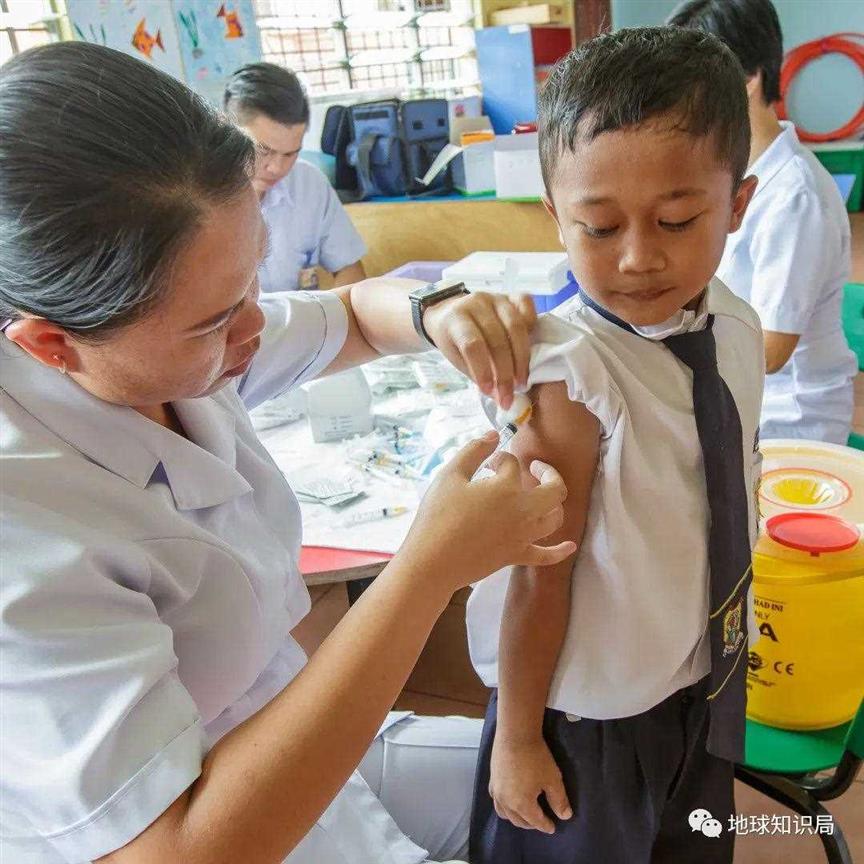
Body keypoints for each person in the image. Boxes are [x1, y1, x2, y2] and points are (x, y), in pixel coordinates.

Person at [0, 43, 577, 864]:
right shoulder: (23, 534)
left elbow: (349, 311)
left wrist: (433, 310)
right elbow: (175, 850)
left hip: (292, 728)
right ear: (53, 346)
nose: (254, 328)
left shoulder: (172, 335)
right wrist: (426, 571)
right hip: (219, 819)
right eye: (211, 323)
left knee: (585, 789)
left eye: (249, 285)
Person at [466, 28, 765, 864]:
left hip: (698, 676)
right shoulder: (571, 374)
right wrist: (518, 740)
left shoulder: (735, 326)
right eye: (598, 228)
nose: (639, 258)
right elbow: (539, 572)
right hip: (585, 719)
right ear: (555, 214)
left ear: (736, 205)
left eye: (677, 219)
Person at [669, 0, 856, 445]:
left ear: (750, 80)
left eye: (694, 85)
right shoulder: (734, 170)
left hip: (790, 418)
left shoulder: (795, 196)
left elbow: (771, 350)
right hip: (741, 395)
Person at [224, 62, 367, 292]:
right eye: (264, 150)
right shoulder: (198, 195)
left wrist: (330, 321)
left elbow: (349, 270)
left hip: (301, 326)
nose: (277, 168)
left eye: (291, 153)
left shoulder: (308, 183)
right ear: (227, 128)